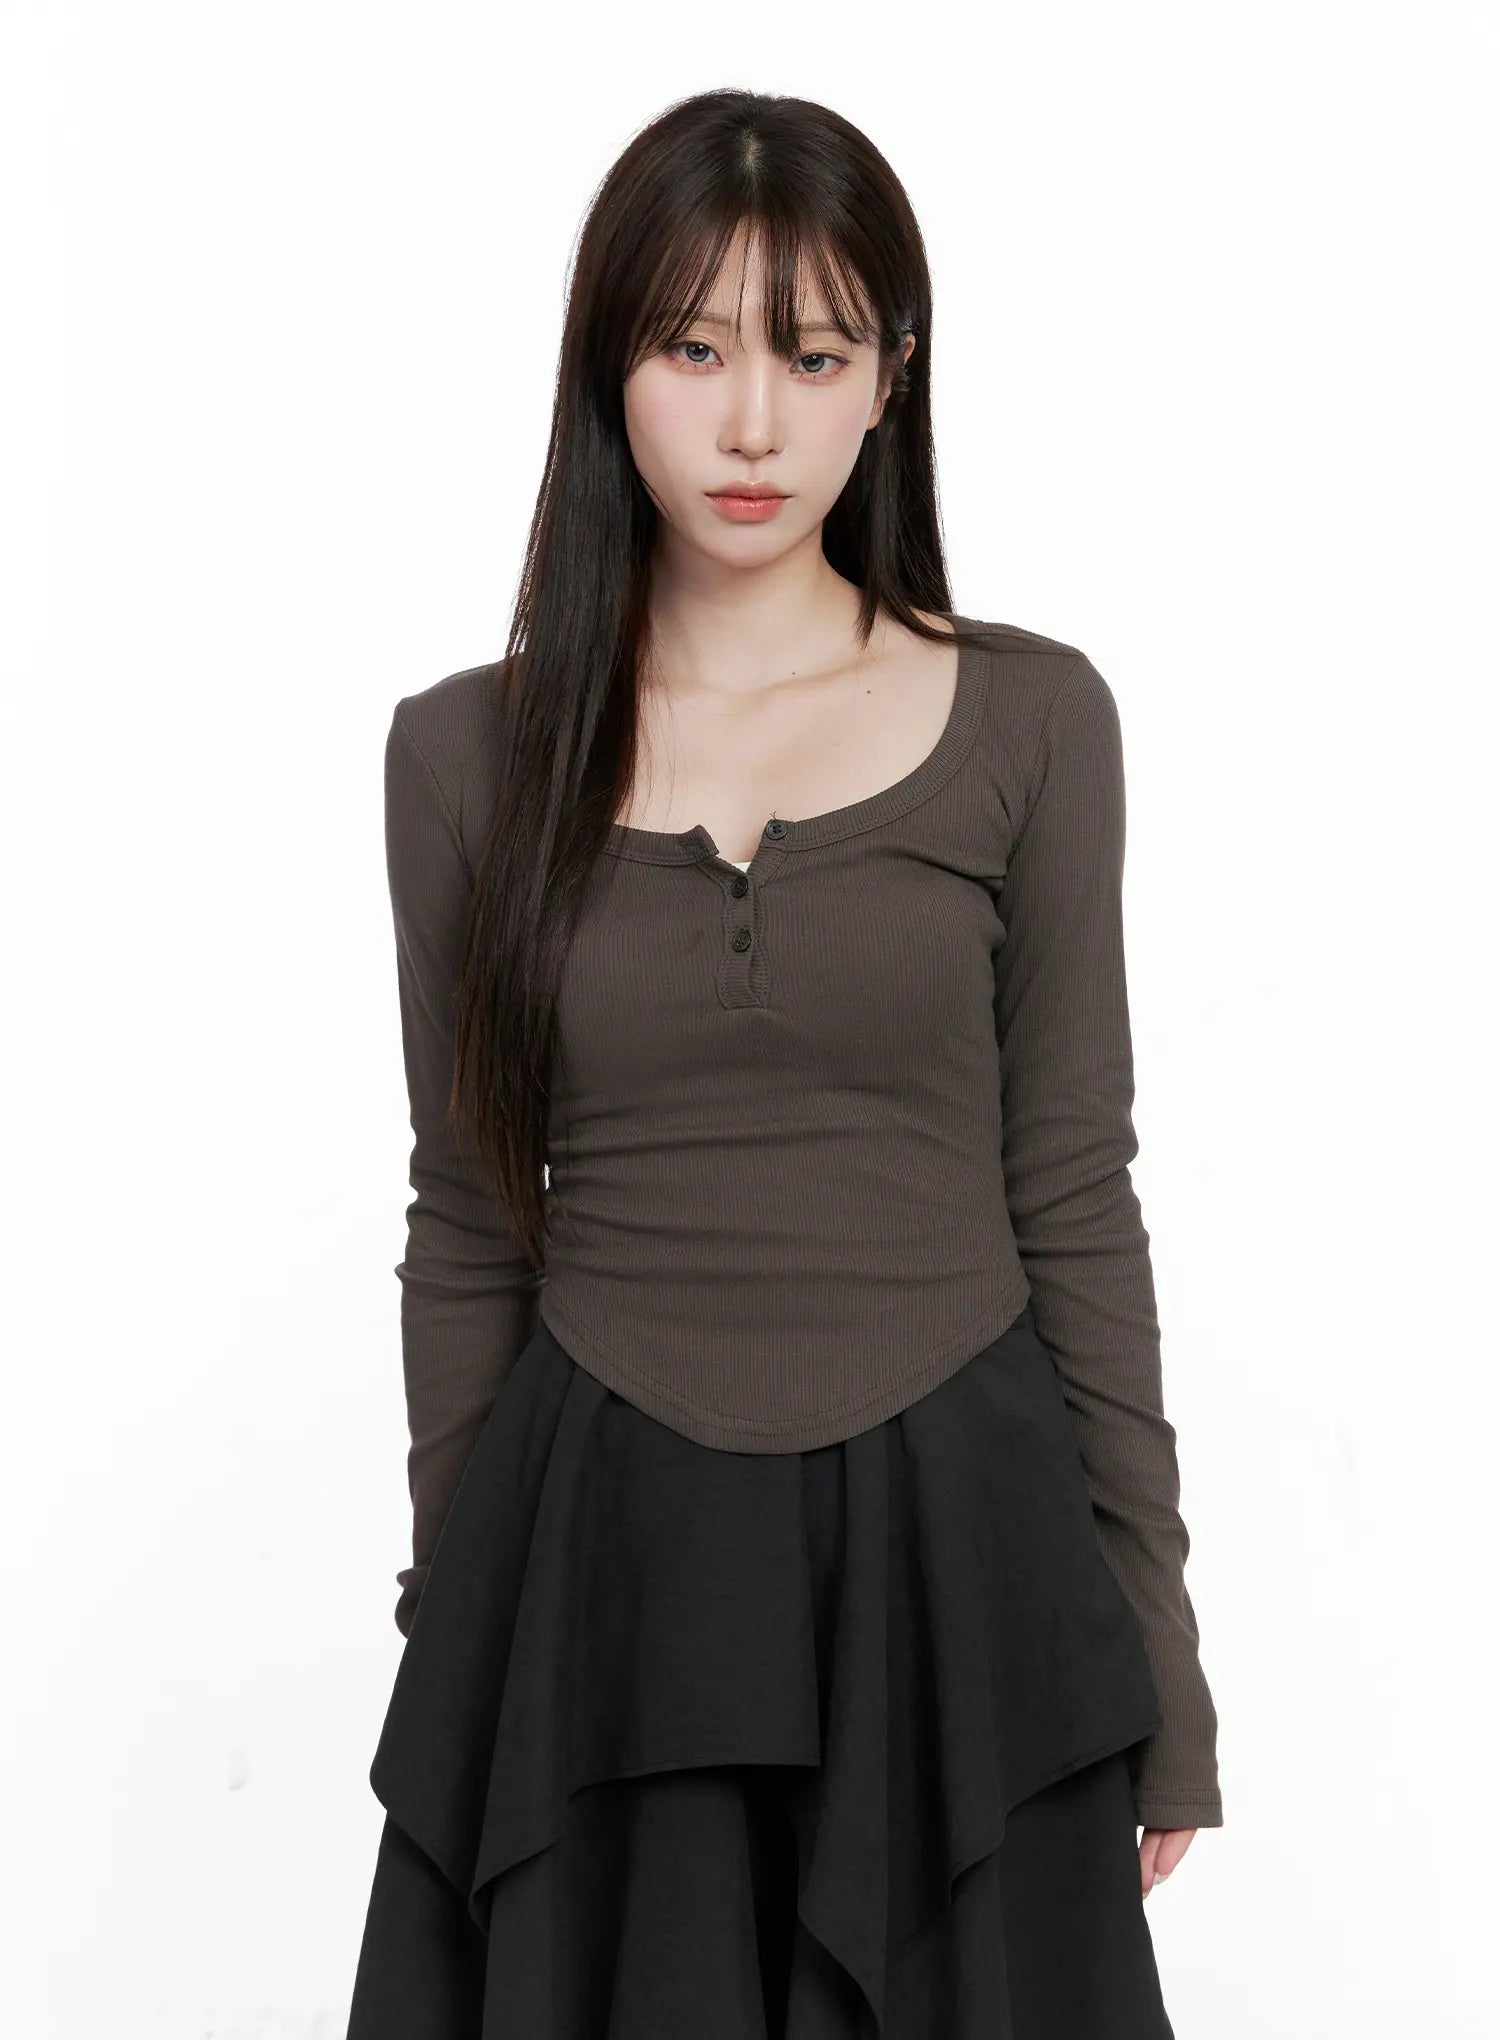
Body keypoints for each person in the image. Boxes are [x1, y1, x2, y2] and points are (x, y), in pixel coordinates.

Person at [346, 84, 1222, 2040]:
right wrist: (461, 1637)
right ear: (609, 370)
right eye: (693, 350)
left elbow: (1075, 1188)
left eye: (812, 356)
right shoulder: (463, 758)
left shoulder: (1032, 723)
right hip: (606, 1562)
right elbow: (468, 1223)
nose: (753, 423)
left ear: (890, 378)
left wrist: (1153, 1650)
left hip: (961, 1559)